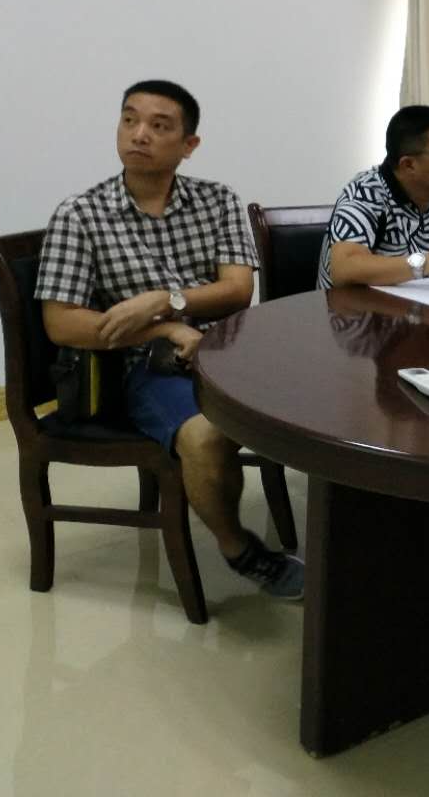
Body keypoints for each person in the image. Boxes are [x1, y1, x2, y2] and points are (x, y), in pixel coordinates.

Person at [36, 81, 303, 599]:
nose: (140, 134)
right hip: (145, 363)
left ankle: (353, 527)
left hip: (227, 348)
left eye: (159, 126)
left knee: (322, 395)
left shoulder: (216, 199)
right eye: (129, 120)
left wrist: (164, 300)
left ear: (189, 144)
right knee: (206, 436)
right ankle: (241, 549)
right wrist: (162, 327)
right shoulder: (81, 214)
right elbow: (61, 324)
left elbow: (237, 290)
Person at [319, 106, 429, 289]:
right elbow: (343, 269)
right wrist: (426, 262)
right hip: (358, 307)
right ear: (409, 165)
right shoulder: (365, 194)